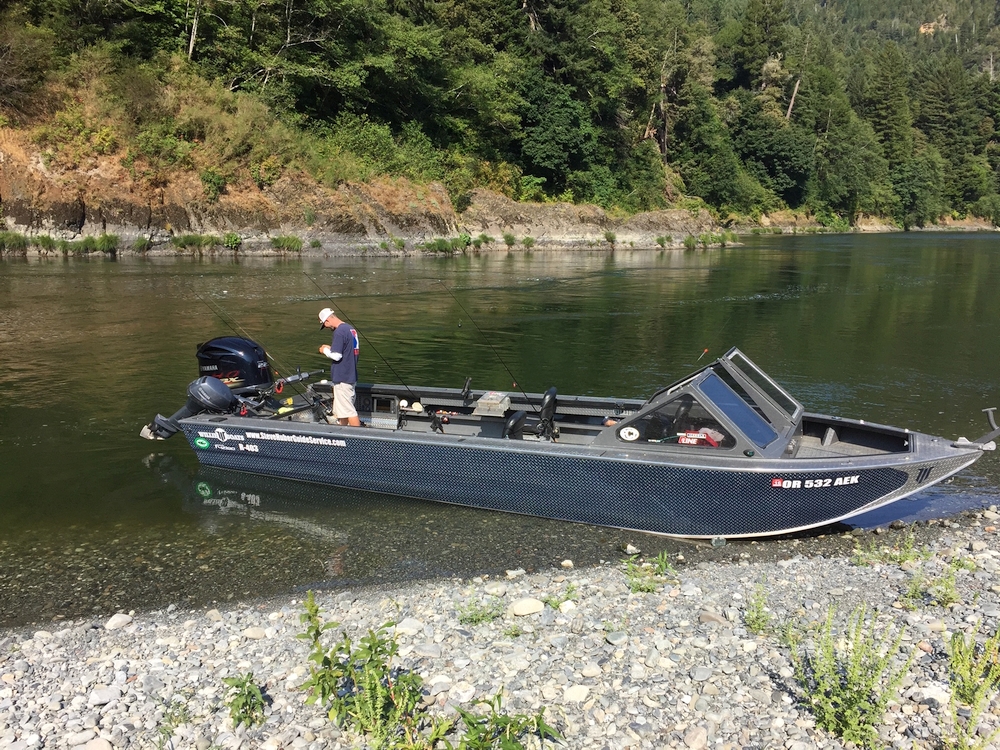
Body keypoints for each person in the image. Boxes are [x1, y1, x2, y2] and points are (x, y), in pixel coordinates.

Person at [318, 307, 361, 426]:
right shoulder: (350, 329)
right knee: (343, 412)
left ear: (327, 321)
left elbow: (337, 356)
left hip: (343, 378)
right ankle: (341, 435)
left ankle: (358, 440)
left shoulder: (339, 331)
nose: (327, 328)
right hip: (350, 375)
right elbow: (347, 351)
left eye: (325, 325)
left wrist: (325, 350)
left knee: (349, 411)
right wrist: (331, 349)